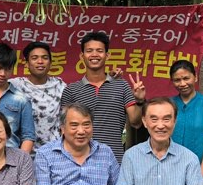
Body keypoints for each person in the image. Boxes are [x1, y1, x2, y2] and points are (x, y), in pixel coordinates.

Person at [59, 31, 145, 162]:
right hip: (79, 162)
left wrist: (139, 100)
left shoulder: (122, 86)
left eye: (99, 50)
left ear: (107, 55)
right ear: (82, 56)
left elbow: (136, 122)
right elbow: (64, 131)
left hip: (114, 160)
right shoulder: (71, 90)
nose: (94, 55)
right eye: (89, 51)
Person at [0, 35, 65, 149]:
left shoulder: (58, 87)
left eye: (45, 58)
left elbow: (28, 136)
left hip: (29, 155)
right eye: (35, 58)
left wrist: (20, 163)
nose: (2, 74)